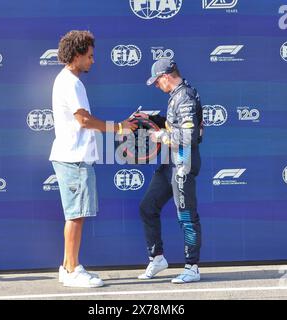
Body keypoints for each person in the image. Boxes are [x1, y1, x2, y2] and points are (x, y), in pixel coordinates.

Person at [49, 30, 137, 288]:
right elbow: (84, 120)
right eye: (89, 56)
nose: (93, 61)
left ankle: (68, 267)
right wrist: (119, 127)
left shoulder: (68, 80)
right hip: (73, 158)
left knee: (75, 215)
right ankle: (72, 269)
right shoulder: (71, 83)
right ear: (76, 55)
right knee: (75, 216)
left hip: (73, 157)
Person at [137, 58, 203, 284]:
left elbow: (188, 136)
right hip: (169, 164)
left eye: (157, 82)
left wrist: (162, 136)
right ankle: (157, 258)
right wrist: (153, 120)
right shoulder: (176, 96)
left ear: (166, 76)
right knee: (147, 207)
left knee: (186, 215)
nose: (157, 86)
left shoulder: (184, 96)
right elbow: (175, 124)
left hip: (183, 164)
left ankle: (192, 266)